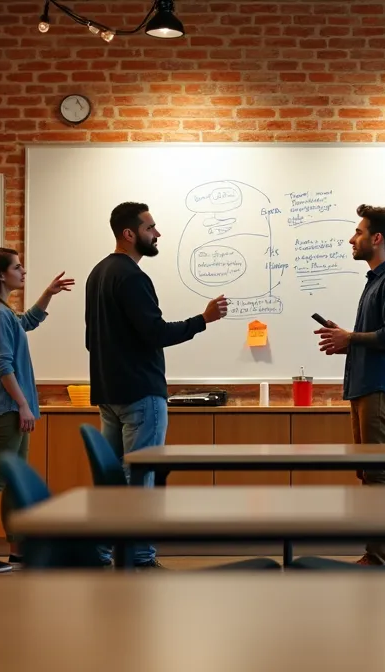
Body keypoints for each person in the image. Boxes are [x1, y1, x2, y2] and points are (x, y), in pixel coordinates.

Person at [85, 202, 228, 569]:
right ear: (129, 234)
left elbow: (91, 339)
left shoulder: (97, 273)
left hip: (108, 393)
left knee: (112, 478)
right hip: (140, 394)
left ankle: (104, 553)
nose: (157, 233)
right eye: (151, 227)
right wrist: (203, 319)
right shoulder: (132, 277)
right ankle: (142, 558)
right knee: (141, 478)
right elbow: (155, 333)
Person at [0, 248, 74, 573]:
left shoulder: (3, 313)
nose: (23, 272)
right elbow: (2, 364)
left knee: (12, 482)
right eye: (17, 267)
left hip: (13, 408)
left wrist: (47, 295)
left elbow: (28, 322)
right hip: (7, 408)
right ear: (0, 274)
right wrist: (23, 403)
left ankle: (17, 550)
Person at [315, 204, 385, 567]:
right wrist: (346, 339)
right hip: (363, 386)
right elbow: (374, 337)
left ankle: (377, 556)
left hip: (378, 387)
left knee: (379, 471)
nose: (351, 239)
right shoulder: (376, 281)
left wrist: (350, 337)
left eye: (358, 232)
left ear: (377, 238)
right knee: (369, 472)